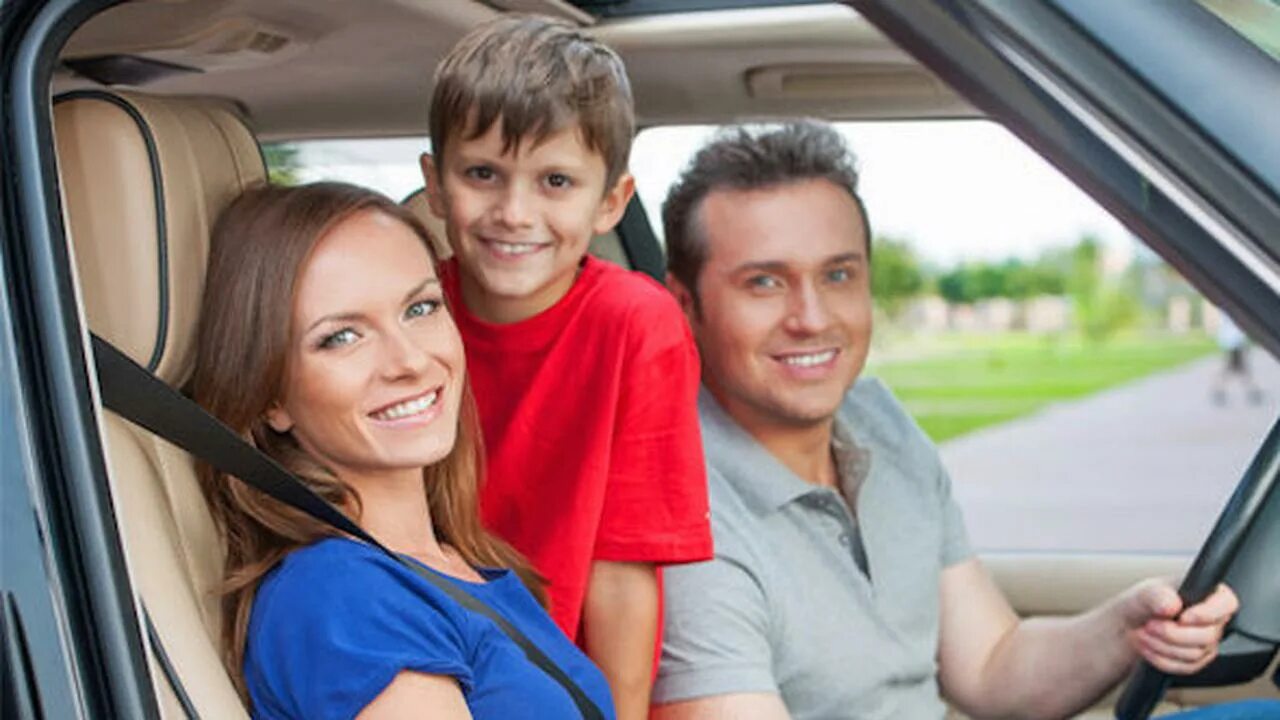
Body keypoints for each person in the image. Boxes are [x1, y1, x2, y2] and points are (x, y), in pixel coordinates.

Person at [650, 122, 1277, 719]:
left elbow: (991, 665)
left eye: (838, 274)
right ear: (685, 305)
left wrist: (1130, 626)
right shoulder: (684, 519)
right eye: (765, 283)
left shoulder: (876, 421)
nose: (812, 317)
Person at [191, 182, 615, 719]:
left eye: (420, 307)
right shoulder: (342, 597)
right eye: (342, 337)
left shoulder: (454, 563)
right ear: (272, 398)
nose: (410, 361)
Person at [418, 15, 713, 718]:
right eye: (482, 173)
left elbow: (623, 565)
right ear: (436, 183)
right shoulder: (412, 315)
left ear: (611, 201)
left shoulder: (636, 326)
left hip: (550, 684)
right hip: (425, 655)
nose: (514, 213)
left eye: (555, 180)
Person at [1212, 312, 1263, 406]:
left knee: (1236, 369)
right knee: (1238, 369)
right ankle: (1252, 392)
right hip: (1234, 342)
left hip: (1231, 342)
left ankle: (1218, 391)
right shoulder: (1231, 311)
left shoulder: (1227, 309)